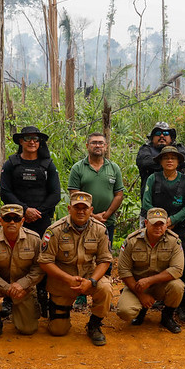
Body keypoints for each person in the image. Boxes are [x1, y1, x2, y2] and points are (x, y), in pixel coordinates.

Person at [37, 191, 114, 346]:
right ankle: (56, 312)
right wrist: (68, 279)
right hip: (63, 281)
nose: (80, 211)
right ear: (69, 209)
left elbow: (105, 260)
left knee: (105, 288)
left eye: (84, 208)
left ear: (91, 210)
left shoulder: (100, 229)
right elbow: (45, 261)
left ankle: (94, 325)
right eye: (76, 207)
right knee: (58, 331)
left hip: (88, 276)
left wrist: (92, 281)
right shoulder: (55, 230)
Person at [0, 125, 61, 316]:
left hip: (42, 219)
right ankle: (10, 298)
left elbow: (56, 193)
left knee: (43, 258)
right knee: (14, 258)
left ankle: (43, 296)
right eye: (27, 139)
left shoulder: (48, 164)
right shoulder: (11, 163)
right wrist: (25, 211)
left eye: (35, 139)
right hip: (15, 219)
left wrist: (37, 212)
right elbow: (5, 191)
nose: (32, 142)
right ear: (21, 142)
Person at [67, 132, 124, 308]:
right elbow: (73, 194)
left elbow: (119, 194)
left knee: (104, 257)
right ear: (87, 146)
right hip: (83, 220)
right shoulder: (78, 168)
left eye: (101, 143)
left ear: (106, 146)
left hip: (108, 221)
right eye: (94, 143)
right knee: (82, 256)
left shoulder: (113, 168)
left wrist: (105, 215)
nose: (97, 146)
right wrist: (91, 215)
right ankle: (81, 295)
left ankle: (103, 293)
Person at [0, 204, 45, 345]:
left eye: (16, 218)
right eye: (8, 218)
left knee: (28, 329)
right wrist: (7, 288)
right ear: (0, 221)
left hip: (23, 288)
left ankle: (18, 311)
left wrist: (23, 284)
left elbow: (39, 268)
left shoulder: (34, 239)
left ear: (22, 221)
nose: (12, 222)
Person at [142, 145, 185, 320]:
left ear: (179, 161)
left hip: (177, 228)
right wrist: (161, 221)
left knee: (181, 264)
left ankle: (183, 304)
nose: (170, 160)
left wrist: (173, 220)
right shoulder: (153, 178)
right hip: (155, 228)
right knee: (153, 262)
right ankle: (152, 299)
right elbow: (146, 203)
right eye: (166, 158)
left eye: (173, 158)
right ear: (161, 161)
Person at [116, 208, 185, 333]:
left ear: (166, 224)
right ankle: (141, 310)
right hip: (137, 286)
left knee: (177, 286)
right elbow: (123, 270)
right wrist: (141, 295)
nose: (158, 227)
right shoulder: (132, 241)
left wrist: (149, 280)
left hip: (160, 286)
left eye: (161, 224)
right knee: (125, 312)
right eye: (154, 224)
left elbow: (177, 269)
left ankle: (167, 316)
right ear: (146, 223)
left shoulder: (174, 241)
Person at [136, 121, 185, 203]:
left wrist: (157, 165)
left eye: (165, 133)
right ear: (152, 138)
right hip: (151, 204)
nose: (162, 136)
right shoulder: (145, 149)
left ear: (171, 138)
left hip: (176, 203)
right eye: (158, 133)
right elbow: (144, 162)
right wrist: (171, 165)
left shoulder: (179, 148)